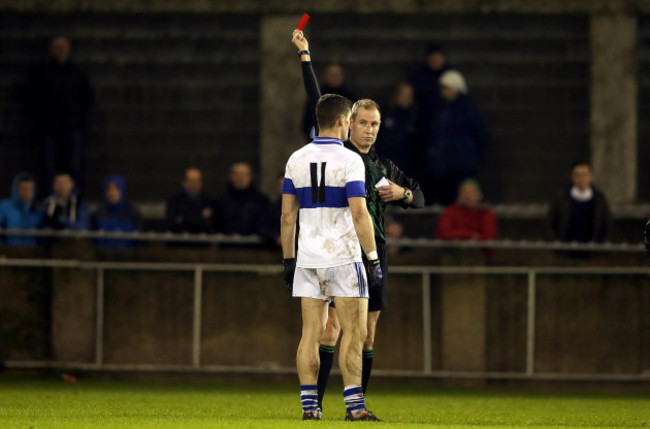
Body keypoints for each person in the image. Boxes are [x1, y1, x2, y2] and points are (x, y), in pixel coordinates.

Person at [292, 29, 425, 409]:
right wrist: (305, 58)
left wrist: (405, 194)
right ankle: (317, 403)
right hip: (340, 249)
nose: (368, 129)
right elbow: (319, 101)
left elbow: (421, 197)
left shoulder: (384, 167)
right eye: (362, 122)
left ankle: (356, 401)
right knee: (330, 329)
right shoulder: (341, 155)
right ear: (348, 123)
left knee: (366, 334)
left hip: (374, 249)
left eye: (374, 124)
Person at [281, 93, 382, 421]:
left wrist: (288, 260)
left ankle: (310, 408)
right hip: (343, 257)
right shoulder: (351, 161)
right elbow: (359, 213)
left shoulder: (296, 159)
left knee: (310, 333)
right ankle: (354, 407)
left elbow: (286, 217)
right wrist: (373, 257)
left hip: (308, 260)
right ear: (343, 121)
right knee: (355, 332)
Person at [28, 36, 94, 188]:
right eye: (57, 48)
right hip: (49, 129)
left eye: (63, 47)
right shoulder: (42, 73)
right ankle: (51, 202)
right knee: (49, 167)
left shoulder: (77, 72)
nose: (61, 51)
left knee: (74, 167)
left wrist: (78, 119)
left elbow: (87, 99)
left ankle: (72, 201)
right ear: (51, 50)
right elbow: (33, 99)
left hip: (73, 128)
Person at [428, 70, 487, 205]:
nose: (443, 91)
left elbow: (479, 134)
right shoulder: (441, 108)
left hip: (462, 163)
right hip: (446, 164)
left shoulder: (466, 109)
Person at [409, 43, 450, 187]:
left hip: (444, 133)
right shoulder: (419, 77)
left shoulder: (449, 76)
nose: (435, 61)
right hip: (423, 131)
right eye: (432, 58)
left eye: (438, 57)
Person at [547, 162, 612, 243]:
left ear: (590, 176)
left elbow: (606, 222)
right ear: (572, 177)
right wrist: (555, 240)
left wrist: (603, 240)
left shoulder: (599, 199)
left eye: (584, 174)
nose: (581, 179)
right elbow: (551, 220)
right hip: (567, 248)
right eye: (577, 175)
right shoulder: (562, 197)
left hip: (592, 249)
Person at [302, 63, 357, 140]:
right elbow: (308, 121)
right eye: (332, 74)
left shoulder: (349, 97)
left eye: (337, 74)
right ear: (325, 76)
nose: (334, 77)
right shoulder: (317, 95)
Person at [213, 162, 268, 236]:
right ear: (230, 177)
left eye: (244, 175)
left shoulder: (261, 200)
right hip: (227, 244)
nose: (240, 178)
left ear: (251, 177)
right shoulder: (220, 200)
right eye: (237, 175)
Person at [375, 82, 416, 172]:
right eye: (404, 94)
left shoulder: (415, 117)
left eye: (409, 95)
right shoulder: (385, 113)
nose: (406, 98)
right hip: (385, 165)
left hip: (406, 168)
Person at [92, 175, 141, 248]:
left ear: (122, 190)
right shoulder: (99, 213)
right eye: (109, 189)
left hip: (128, 256)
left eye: (116, 189)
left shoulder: (132, 213)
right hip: (102, 255)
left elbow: (139, 241)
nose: (112, 193)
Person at [166, 167, 214, 234]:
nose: (193, 185)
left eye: (196, 181)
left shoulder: (208, 200)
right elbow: (172, 223)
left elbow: (210, 225)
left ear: (201, 183)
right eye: (191, 181)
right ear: (184, 182)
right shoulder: (175, 200)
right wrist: (199, 217)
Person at [0, 172, 43, 246]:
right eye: (23, 189)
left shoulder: (38, 211)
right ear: (15, 189)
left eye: (29, 189)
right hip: (9, 253)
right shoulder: (4, 208)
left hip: (33, 254)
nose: (26, 192)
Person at [258, 172, 284, 248]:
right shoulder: (270, 208)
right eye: (281, 186)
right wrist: (275, 237)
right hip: (274, 249)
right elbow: (262, 227)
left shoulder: (305, 209)